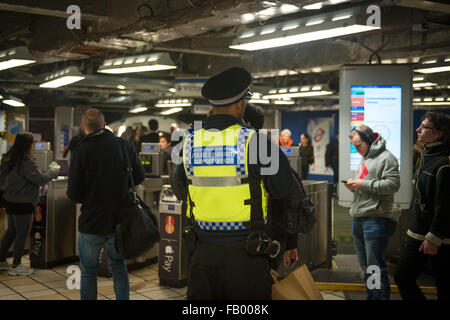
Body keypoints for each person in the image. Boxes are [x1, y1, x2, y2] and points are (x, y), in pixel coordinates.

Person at [171, 67, 294, 300]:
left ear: (213, 104)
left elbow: (179, 188)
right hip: (247, 253)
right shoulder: (255, 142)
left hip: (201, 252)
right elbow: (283, 189)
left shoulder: (187, 143)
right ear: (240, 105)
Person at [67, 108, 145, 300]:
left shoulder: (80, 152)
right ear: (104, 124)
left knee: (88, 271)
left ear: (84, 128)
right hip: (120, 220)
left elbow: (74, 194)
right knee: (118, 267)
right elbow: (139, 176)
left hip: (91, 222)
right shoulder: (124, 145)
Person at [394, 112, 450, 300]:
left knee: (441, 284)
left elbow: (445, 205)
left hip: (433, 237)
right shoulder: (427, 155)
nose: (418, 129)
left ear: (439, 133)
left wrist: (434, 237)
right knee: (403, 277)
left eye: (424, 127)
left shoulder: (443, 164)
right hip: (418, 232)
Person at [344, 125, 400, 300]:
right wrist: (355, 187)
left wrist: (362, 184)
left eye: (359, 145)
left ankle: (378, 298)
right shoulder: (366, 158)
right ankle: (373, 297)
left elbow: (392, 185)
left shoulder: (386, 158)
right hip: (361, 217)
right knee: (367, 266)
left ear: (369, 140)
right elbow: (369, 186)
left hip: (376, 219)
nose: (357, 149)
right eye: (354, 146)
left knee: (374, 266)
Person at [243, 103, 299, 269]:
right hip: (257, 236)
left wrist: (290, 243)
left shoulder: (264, 152)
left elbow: (289, 200)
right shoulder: (263, 151)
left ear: (247, 125)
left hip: (267, 236)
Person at [0, 133, 60, 275]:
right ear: (28, 145)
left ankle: (2, 260)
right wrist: (53, 171)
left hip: (10, 201)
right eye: (32, 143)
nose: (33, 146)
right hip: (23, 202)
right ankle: (16, 265)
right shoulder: (25, 161)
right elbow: (39, 179)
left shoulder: (8, 159)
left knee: (11, 232)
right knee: (22, 233)